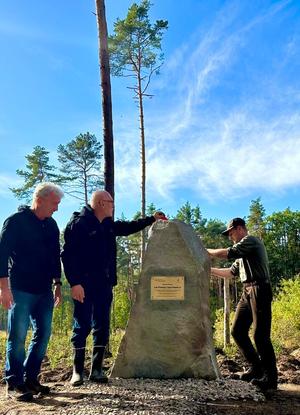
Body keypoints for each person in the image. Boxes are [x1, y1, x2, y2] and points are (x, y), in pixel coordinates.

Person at [61, 190, 166, 386]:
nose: (113, 205)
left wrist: (151, 219)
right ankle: (77, 371)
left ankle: (97, 369)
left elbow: (127, 228)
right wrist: (74, 283)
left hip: (104, 284)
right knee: (81, 325)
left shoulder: (108, 224)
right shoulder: (78, 224)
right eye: (110, 202)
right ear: (101, 203)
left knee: (102, 324)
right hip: (83, 286)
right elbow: (67, 256)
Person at [0, 182, 63, 401]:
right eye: (54, 203)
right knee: (17, 337)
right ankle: (14, 383)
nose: (56, 208)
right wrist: (4, 289)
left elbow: (56, 255)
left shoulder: (52, 225)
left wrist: (58, 284)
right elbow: (2, 256)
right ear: (41, 199)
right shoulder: (15, 222)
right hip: (19, 289)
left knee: (43, 335)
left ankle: (30, 379)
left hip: (44, 290)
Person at [207, 217, 278, 391]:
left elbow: (228, 253)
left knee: (260, 336)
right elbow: (230, 273)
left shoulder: (250, 241)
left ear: (239, 229)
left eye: (230, 233)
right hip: (247, 290)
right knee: (237, 331)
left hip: (259, 288)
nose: (230, 236)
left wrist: (206, 252)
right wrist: (207, 270)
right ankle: (256, 369)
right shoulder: (242, 254)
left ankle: (271, 378)